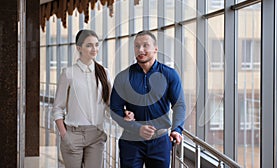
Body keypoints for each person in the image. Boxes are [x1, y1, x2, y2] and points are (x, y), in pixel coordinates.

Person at [110, 30, 186, 168]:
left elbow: (179, 105)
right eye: (137, 46)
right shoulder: (123, 77)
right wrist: (136, 128)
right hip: (131, 141)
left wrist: (177, 129)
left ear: (155, 49)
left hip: (160, 142)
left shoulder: (170, 75)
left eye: (145, 45)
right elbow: (115, 109)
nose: (141, 50)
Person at [52, 29, 112, 168]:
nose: (94, 49)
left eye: (96, 45)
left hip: (96, 135)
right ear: (79, 48)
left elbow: (110, 104)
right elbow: (57, 108)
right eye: (89, 45)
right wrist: (64, 135)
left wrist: (125, 113)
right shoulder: (68, 73)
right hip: (73, 134)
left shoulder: (105, 73)